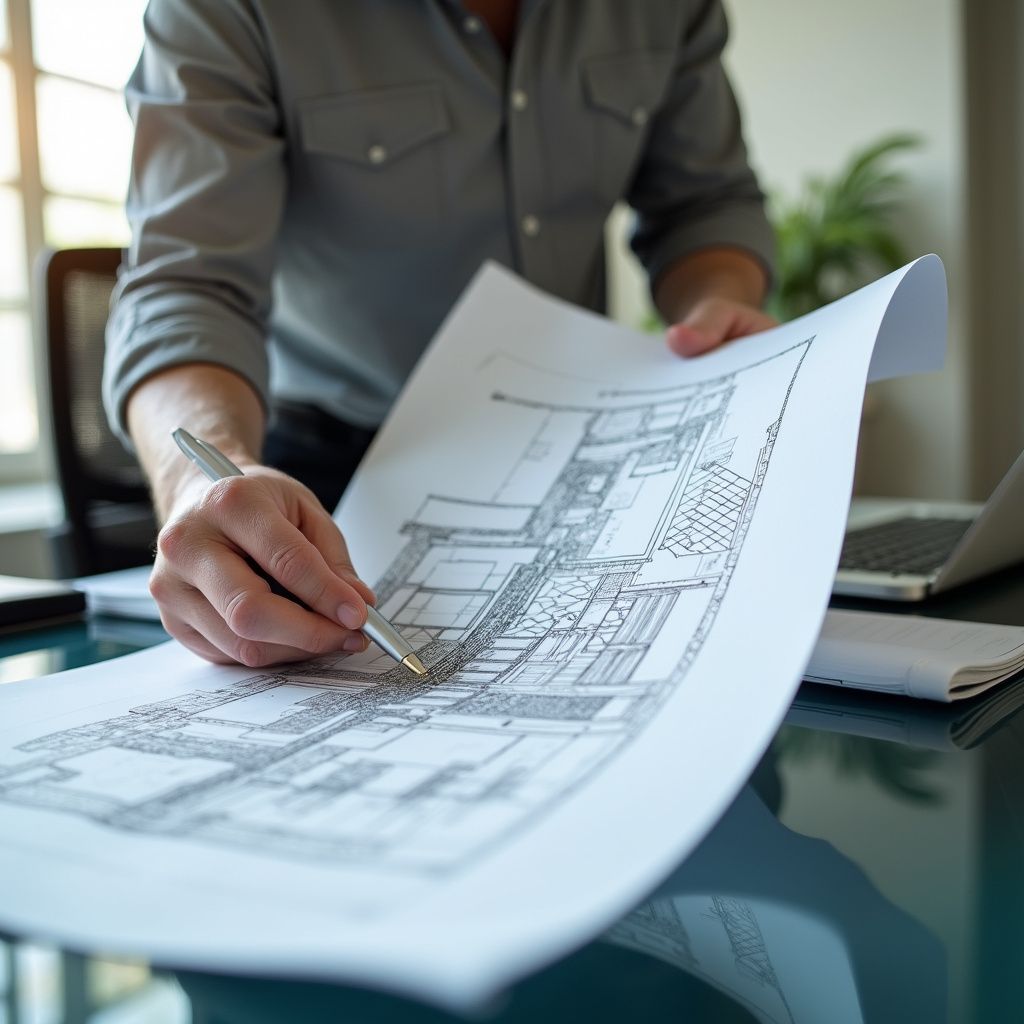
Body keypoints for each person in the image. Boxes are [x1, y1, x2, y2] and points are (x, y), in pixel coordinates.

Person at [104, 0, 777, 670]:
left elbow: (706, 204)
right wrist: (203, 478)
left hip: (582, 460)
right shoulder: (229, 12)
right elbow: (188, 286)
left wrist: (717, 304)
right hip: (322, 491)